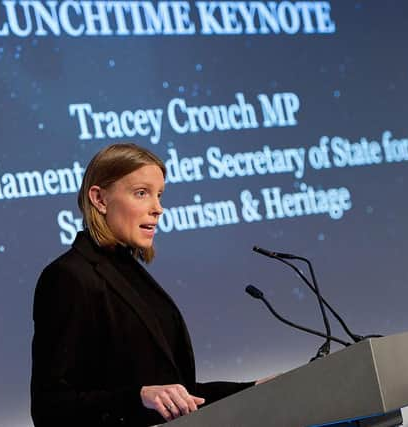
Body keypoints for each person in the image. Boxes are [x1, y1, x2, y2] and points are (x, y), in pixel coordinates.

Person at [31, 143, 261, 427]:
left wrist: (256, 389)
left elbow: (178, 395)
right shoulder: (69, 278)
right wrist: (137, 397)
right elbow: (50, 408)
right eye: (142, 193)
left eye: (160, 195)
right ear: (99, 199)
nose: (158, 208)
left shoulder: (130, 273)